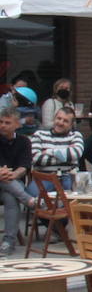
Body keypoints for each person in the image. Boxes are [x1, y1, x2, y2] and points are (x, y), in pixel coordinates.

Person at [29, 106, 84, 195]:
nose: (61, 123)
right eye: (59, 118)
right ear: (54, 119)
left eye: (65, 121)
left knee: (72, 201)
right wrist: (65, 157)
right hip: (44, 177)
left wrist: (48, 151)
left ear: (71, 124)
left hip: (68, 177)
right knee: (34, 197)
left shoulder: (76, 136)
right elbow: (36, 158)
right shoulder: (39, 135)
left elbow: (75, 154)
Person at [0, 109, 33, 254]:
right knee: (9, 188)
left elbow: (24, 167)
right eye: (1, 122)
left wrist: (12, 174)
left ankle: (8, 241)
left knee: (10, 197)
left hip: (13, 183)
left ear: (17, 125)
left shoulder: (24, 141)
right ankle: (29, 200)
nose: (2, 125)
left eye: (7, 123)